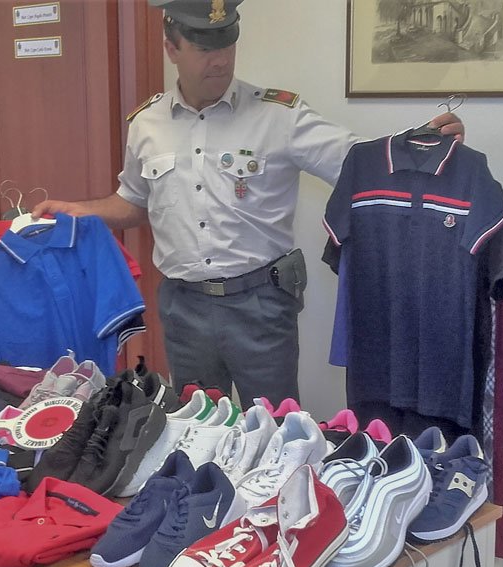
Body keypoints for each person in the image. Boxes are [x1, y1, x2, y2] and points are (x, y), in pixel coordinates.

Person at [32, 0, 464, 409]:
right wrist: (77, 211)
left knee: (275, 431)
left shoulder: (278, 115)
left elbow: (360, 163)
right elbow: (133, 202)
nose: (219, 60)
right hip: (184, 310)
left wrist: (423, 144)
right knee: (197, 428)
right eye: (203, 49)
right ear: (172, 49)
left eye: (226, 45)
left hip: (260, 305)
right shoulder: (147, 123)